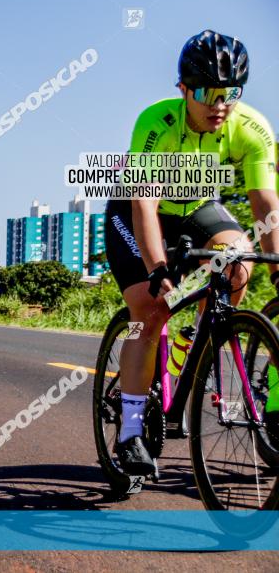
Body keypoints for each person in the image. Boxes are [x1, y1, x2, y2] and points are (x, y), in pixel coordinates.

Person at [105, 30, 279, 476]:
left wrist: (278, 268)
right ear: (183, 89)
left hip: (198, 204)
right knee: (149, 308)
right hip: (138, 210)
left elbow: (265, 204)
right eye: (207, 92)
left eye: (230, 92)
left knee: (238, 265)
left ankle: (198, 341)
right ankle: (128, 431)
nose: (220, 103)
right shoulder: (155, 123)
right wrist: (158, 267)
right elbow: (143, 205)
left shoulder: (253, 128)